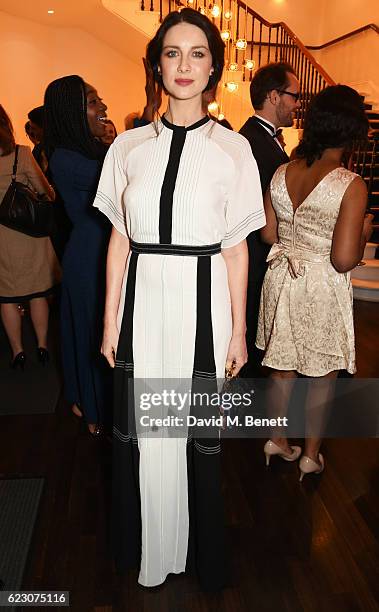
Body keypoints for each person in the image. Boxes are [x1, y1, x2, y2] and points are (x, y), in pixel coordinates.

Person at [93, 7, 265, 590]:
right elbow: (118, 241)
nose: (184, 65)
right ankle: (148, 547)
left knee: (191, 429)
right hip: (143, 303)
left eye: (197, 53)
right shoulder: (127, 146)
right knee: (146, 431)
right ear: (157, 64)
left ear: (214, 66)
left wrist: (240, 330)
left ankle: (195, 552)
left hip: (204, 302)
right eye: (172, 53)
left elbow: (238, 249)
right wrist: (109, 319)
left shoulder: (234, 150)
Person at [256, 85, 373, 479]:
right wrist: (362, 233)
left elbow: (269, 236)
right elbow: (343, 259)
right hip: (320, 282)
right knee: (321, 376)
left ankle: (276, 439)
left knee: (281, 368)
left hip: (280, 277)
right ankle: (309, 455)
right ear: (352, 131)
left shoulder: (280, 171)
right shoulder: (350, 184)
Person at [44, 75, 112, 435]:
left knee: (97, 330)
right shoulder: (66, 158)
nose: (102, 106)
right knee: (91, 333)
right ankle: (93, 409)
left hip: (102, 252)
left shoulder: (91, 151)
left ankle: (88, 399)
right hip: (89, 257)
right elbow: (120, 179)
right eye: (92, 101)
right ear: (72, 112)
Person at [239, 62, 301, 376]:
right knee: (248, 344)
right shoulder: (249, 142)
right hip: (252, 258)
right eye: (294, 95)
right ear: (274, 96)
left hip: (263, 256)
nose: (297, 103)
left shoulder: (266, 139)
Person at [0, 104, 59, 368]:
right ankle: (43, 346)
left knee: (7, 297)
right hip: (29, 234)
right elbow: (46, 191)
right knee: (37, 293)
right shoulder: (21, 154)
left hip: (1, 240)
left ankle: (17, 352)